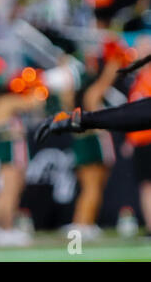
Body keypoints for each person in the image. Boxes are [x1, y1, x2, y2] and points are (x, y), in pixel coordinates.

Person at [35, 52, 151, 237]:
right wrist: (112, 66)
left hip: (84, 133)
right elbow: (100, 97)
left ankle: (83, 223)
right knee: (92, 184)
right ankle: (83, 224)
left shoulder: (77, 88)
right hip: (91, 138)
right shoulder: (89, 87)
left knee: (91, 184)